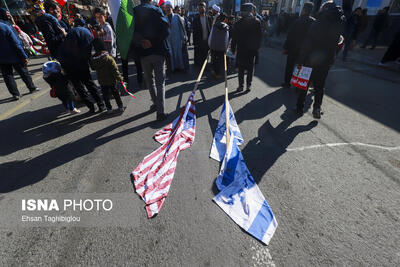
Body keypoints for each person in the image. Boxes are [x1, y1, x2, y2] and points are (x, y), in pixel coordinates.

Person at [296, 1, 345, 119]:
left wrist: (300, 60)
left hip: (311, 59)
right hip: (327, 59)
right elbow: (338, 42)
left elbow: (308, 43)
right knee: (320, 85)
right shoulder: (339, 23)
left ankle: (299, 108)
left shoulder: (317, 23)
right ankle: (317, 108)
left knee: (305, 83)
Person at [133, 0, 170, 121]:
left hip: (143, 52)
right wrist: (153, 41)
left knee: (150, 81)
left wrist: (141, 41)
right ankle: (160, 112)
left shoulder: (134, 11)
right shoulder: (156, 10)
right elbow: (166, 30)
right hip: (158, 51)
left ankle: (155, 103)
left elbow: (130, 32)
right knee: (160, 83)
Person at [58, 27, 105, 113]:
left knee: (79, 87)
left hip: (68, 63)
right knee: (89, 84)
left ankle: (91, 107)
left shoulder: (76, 32)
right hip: (78, 63)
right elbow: (86, 53)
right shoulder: (88, 35)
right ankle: (100, 104)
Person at [0, 21, 39, 100]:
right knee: (23, 72)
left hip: (2, 58)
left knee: (7, 76)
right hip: (14, 54)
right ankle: (32, 88)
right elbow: (15, 42)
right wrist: (23, 55)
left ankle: (15, 94)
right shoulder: (4, 26)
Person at [282, 2, 315, 88]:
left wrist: (285, 48)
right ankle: (299, 85)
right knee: (303, 67)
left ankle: (287, 83)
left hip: (294, 48)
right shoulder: (314, 22)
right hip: (306, 50)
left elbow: (290, 36)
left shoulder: (297, 21)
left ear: (304, 10)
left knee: (290, 66)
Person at [231, 3, 262, 92]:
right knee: (250, 68)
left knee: (241, 69)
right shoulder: (257, 22)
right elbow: (259, 37)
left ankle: (241, 86)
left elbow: (234, 38)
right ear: (251, 11)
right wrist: (257, 48)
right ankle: (248, 85)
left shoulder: (238, 23)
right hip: (252, 50)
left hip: (241, 50)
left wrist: (233, 49)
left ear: (242, 12)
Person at [90, 38, 125, 114]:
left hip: (102, 81)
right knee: (116, 94)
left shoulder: (94, 60)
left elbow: (93, 67)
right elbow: (115, 70)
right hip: (112, 80)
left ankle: (109, 108)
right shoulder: (109, 58)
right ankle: (120, 106)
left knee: (105, 96)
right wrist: (120, 78)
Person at [162, 2, 186, 72]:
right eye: (166, 7)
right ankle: (173, 69)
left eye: (169, 7)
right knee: (171, 54)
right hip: (169, 39)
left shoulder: (177, 16)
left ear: (172, 8)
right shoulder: (164, 18)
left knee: (178, 53)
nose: (168, 9)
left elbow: (181, 27)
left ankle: (180, 67)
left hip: (177, 38)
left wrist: (183, 37)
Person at [208, 13, 229, 79]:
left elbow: (211, 36)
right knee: (220, 60)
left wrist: (210, 45)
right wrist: (226, 47)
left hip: (214, 46)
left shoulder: (214, 26)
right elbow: (226, 38)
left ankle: (214, 71)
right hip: (222, 47)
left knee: (214, 59)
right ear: (224, 19)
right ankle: (218, 73)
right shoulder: (226, 27)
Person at [192, 2, 212, 66]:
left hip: (207, 41)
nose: (201, 9)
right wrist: (195, 43)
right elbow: (194, 31)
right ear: (198, 9)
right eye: (200, 7)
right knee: (199, 55)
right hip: (199, 41)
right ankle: (199, 66)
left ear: (205, 8)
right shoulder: (196, 19)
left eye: (202, 7)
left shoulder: (208, 18)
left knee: (206, 56)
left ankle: (205, 66)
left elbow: (210, 29)